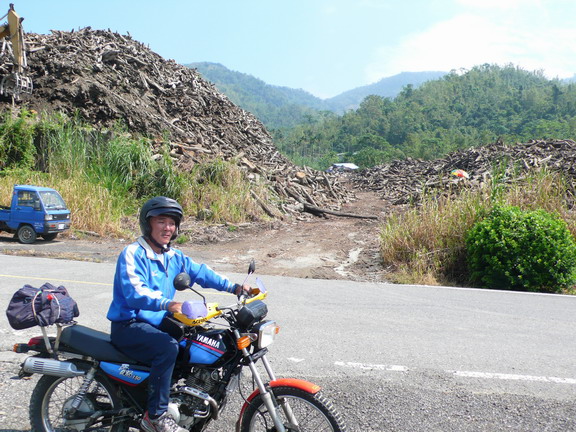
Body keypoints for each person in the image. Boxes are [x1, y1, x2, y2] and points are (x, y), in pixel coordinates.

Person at [107, 196, 250, 432]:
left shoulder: (173, 256)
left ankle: (181, 398)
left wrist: (234, 287)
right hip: (129, 324)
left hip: (157, 321)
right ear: (148, 223)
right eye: (161, 221)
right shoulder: (133, 253)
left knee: (198, 340)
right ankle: (155, 416)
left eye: (172, 222)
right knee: (167, 347)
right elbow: (135, 292)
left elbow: (201, 273)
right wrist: (170, 304)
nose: (167, 228)